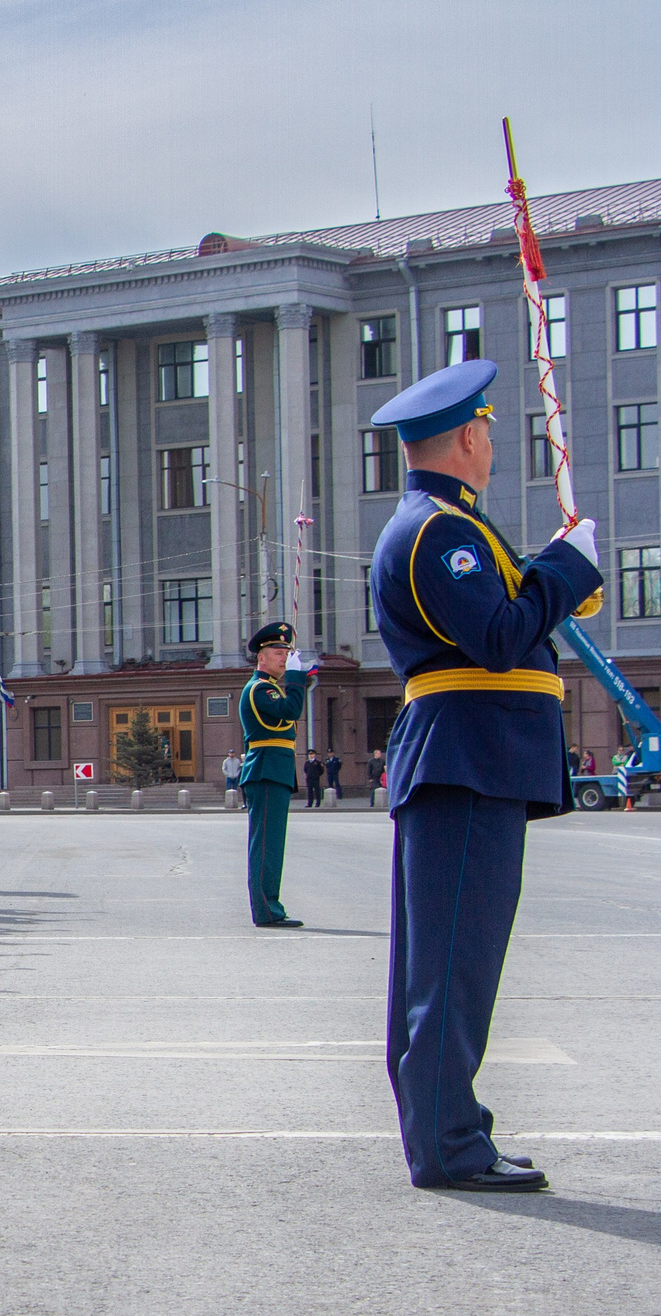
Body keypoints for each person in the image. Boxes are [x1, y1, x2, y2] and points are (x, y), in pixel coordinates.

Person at [369, 358, 599, 1194]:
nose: (494, 445)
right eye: (490, 433)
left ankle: (449, 1130)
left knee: (450, 964)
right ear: (468, 435)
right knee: (454, 966)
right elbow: (500, 637)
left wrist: (554, 571)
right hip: (469, 756)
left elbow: (500, 623)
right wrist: (568, 571)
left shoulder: (448, 525)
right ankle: (449, 1144)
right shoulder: (440, 532)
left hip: (471, 755)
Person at [238, 623, 315, 928]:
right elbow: (292, 710)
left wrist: (298, 679)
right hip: (267, 770)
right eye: (278, 652)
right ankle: (267, 910)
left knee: (272, 845)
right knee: (266, 845)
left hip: (274, 770)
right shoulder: (260, 689)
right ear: (261, 658)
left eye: (287, 652)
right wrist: (297, 677)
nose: (284, 657)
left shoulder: (270, 688)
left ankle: (269, 906)